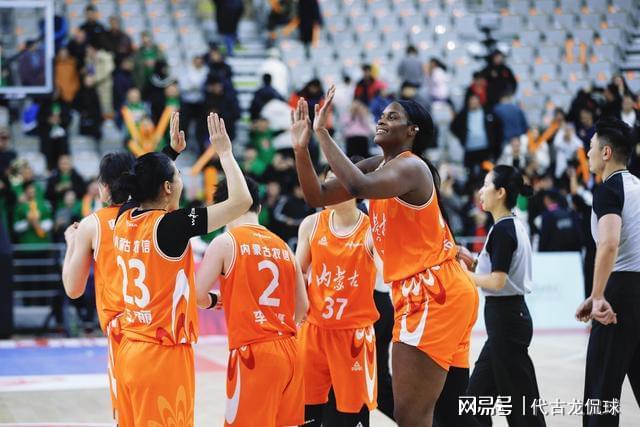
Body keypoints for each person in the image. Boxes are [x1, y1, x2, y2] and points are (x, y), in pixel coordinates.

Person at [291, 88, 478, 426]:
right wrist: (301, 148)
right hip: (437, 291)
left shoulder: (412, 167)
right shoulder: (381, 165)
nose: (382, 120)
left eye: (392, 116)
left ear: (412, 131)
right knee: (449, 413)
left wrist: (322, 133)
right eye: (381, 115)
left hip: (431, 294)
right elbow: (316, 195)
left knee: (411, 416)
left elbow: (357, 186)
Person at [111, 113, 251, 426]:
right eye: (177, 175)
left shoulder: (124, 215)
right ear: (166, 187)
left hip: (129, 349)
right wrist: (225, 153)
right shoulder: (172, 226)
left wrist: (171, 152)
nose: (181, 181)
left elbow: (141, 184)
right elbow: (242, 202)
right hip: (162, 356)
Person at [195, 176, 307, 426]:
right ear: (259, 206)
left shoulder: (226, 242)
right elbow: (303, 308)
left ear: (224, 207)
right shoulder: (284, 247)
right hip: (290, 350)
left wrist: (214, 300)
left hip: (254, 352)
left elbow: (197, 294)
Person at [294, 160, 381, 426]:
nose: (326, 188)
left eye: (334, 182)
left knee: (350, 416)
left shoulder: (371, 231)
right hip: (314, 331)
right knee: (306, 413)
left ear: (354, 188)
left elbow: (388, 272)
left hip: (352, 336)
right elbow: (297, 272)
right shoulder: (311, 224)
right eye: (325, 182)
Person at [463, 165, 546, 426]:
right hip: (507, 320)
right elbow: (498, 273)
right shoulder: (510, 225)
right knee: (474, 401)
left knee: (521, 406)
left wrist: (462, 276)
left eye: (486, 185)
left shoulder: (503, 229)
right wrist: (472, 264)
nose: (480, 191)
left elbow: (497, 281)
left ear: (500, 193)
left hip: (507, 320)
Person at [61, 150, 136, 420]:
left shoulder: (92, 224)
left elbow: (73, 289)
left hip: (123, 333)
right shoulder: (156, 217)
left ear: (104, 187)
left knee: (128, 417)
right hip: (157, 328)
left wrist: (72, 243)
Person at [575, 117, 640, 427]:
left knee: (601, 392)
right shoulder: (637, 186)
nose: (587, 153)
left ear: (606, 152)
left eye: (590, 147)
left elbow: (609, 242)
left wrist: (598, 295)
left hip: (620, 292)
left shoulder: (609, 189)